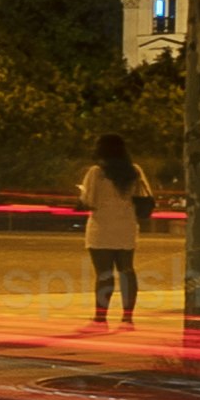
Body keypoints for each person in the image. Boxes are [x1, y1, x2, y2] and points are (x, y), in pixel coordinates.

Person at [81, 136, 150, 326]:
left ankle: (101, 315)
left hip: (101, 227)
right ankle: (127, 316)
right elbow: (143, 196)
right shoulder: (134, 171)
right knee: (127, 270)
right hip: (126, 226)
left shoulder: (96, 173)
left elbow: (90, 201)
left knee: (104, 273)